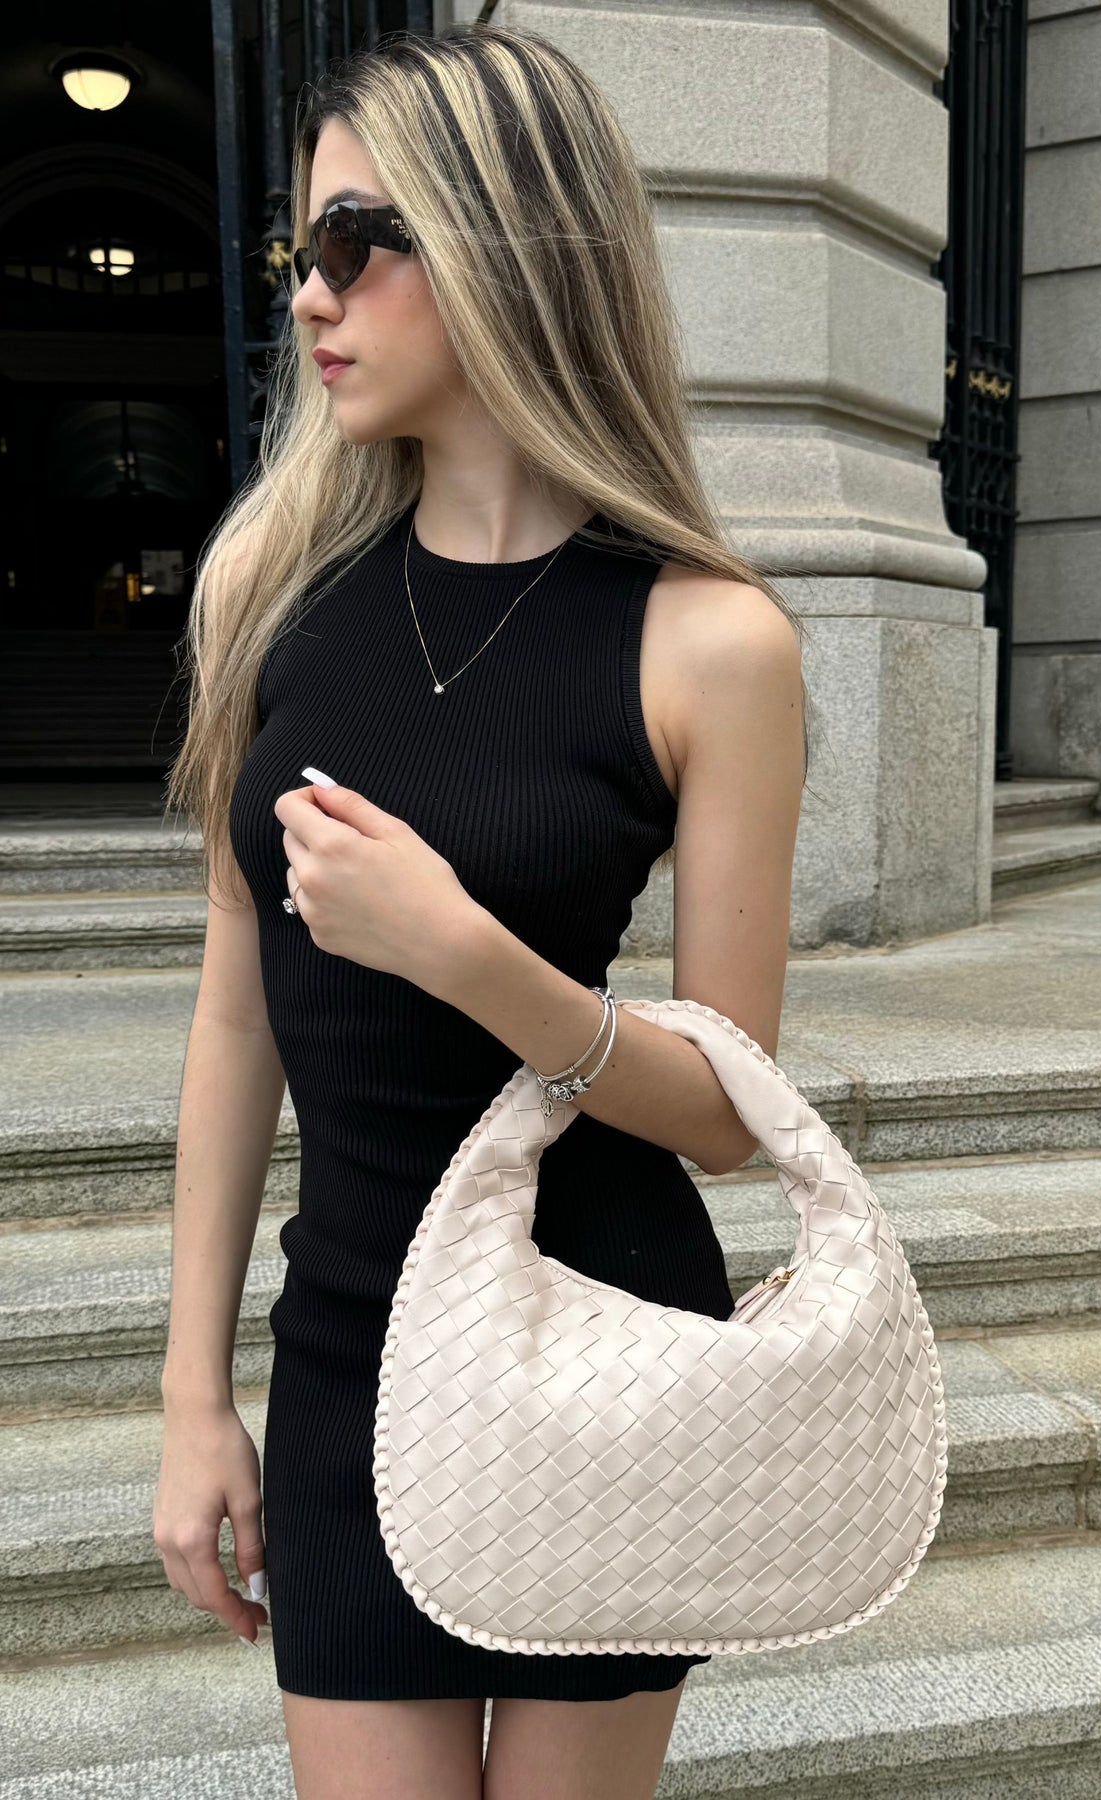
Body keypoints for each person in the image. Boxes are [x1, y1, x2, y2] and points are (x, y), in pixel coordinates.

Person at [153, 21, 811, 1800]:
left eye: (358, 240)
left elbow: (727, 1114)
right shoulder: (273, 596)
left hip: (606, 1340)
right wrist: (193, 1396)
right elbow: (236, 1012)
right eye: (304, 247)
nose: (312, 292)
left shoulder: (710, 640)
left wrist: (461, 952)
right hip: (352, 1348)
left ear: (512, 244)